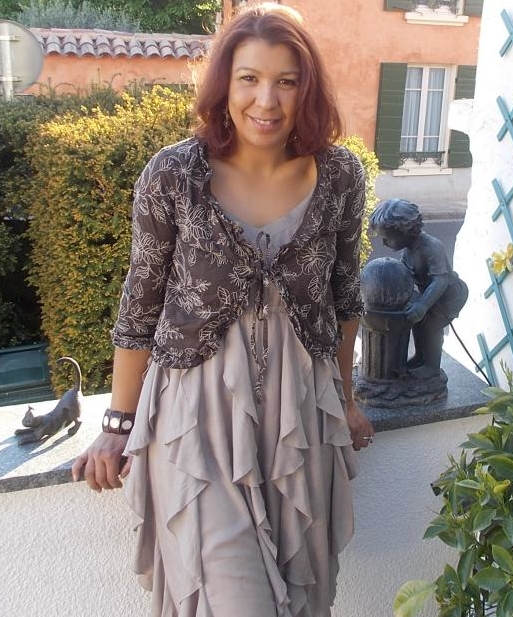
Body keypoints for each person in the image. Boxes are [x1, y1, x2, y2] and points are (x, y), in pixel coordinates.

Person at [72, 3, 374, 616]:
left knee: (301, 596)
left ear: (307, 89)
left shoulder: (340, 175)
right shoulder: (173, 174)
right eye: (249, 79)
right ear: (224, 85)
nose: (267, 100)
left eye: (286, 81)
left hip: (299, 415)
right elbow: (140, 306)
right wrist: (118, 425)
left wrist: (345, 399)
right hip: (197, 420)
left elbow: (345, 298)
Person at [369, 198, 468, 380]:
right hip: (430, 294)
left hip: (449, 296)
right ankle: (421, 357)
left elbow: (441, 280)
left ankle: (432, 367)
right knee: (417, 322)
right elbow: (404, 270)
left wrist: (422, 305)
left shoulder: (432, 247)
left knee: (431, 326)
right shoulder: (409, 248)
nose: (383, 243)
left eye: (387, 238)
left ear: (404, 232)